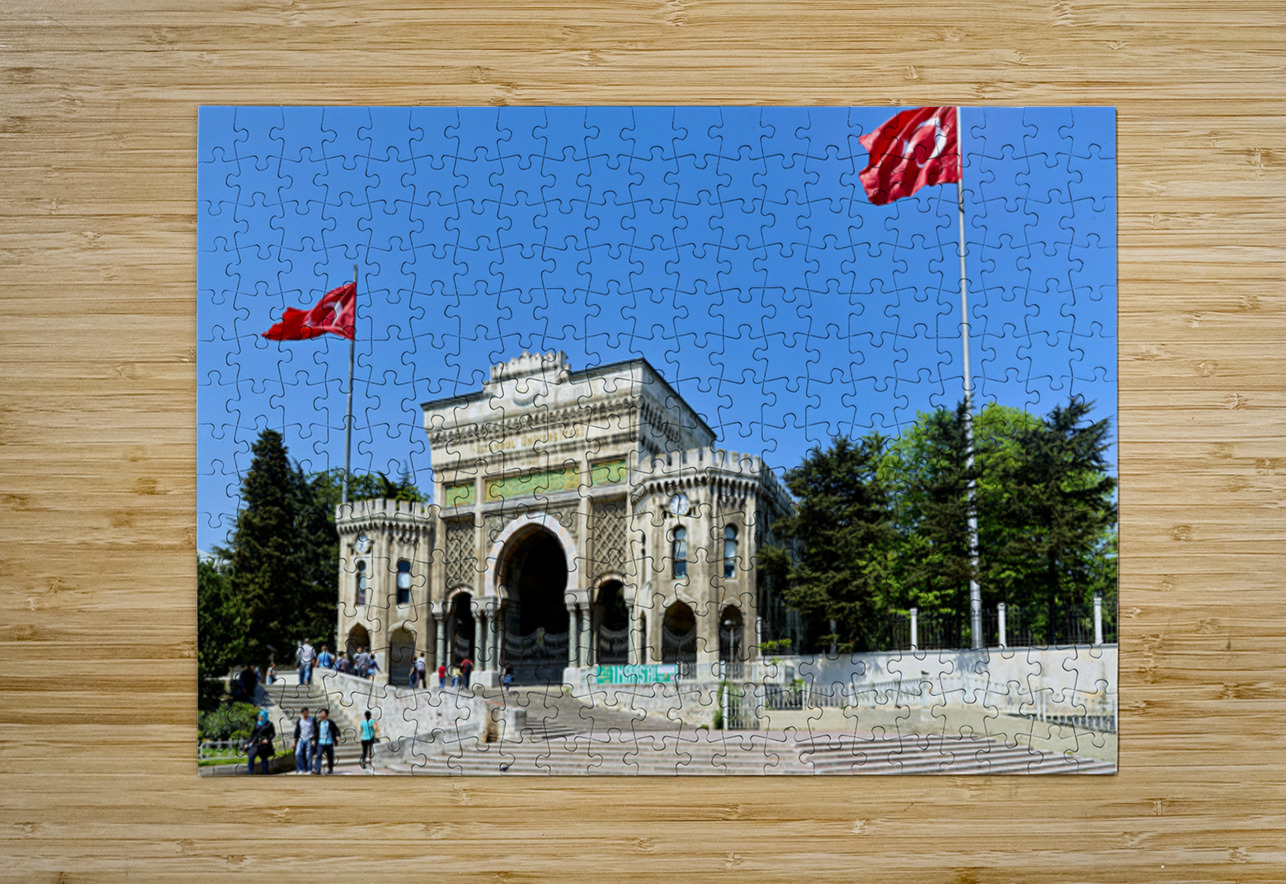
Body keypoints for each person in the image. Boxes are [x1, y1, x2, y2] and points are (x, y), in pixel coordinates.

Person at [246, 709, 276, 775]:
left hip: (264, 745)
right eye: (259, 716)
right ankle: (250, 773)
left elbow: (273, 734)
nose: (260, 718)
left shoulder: (269, 724)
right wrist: (247, 742)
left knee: (264, 759)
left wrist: (267, 739)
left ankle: (265, 774)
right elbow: (252, 734)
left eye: (261, 716)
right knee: (251, 757)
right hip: (256, 744)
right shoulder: (257, 724)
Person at [312, 709, 340, 775]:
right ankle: (317, 769)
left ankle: (330, 768)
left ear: (326, 715)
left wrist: (337, 736)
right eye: (320, 713)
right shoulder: (319, 723)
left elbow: (336, 730)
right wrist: (313, 740)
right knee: (318, 755)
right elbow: (315, 732)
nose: (321, 714)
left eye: (322, 713)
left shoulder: (330, 722)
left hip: (329, 742)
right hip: (320, 742)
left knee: (330, 756)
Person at [292, 707, 316, 774]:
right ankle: (301, 768)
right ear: (302, 713)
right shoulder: (299, 721)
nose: (306, 714)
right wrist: (294, 742)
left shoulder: (312, 719)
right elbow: (296, 732)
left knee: (308, 755)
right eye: (305, 712)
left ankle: (309, 769)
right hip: (301, 739)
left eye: (307, 712)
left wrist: (314, 739)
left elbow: (315, 730)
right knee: (297, 753)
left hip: (309, 738)